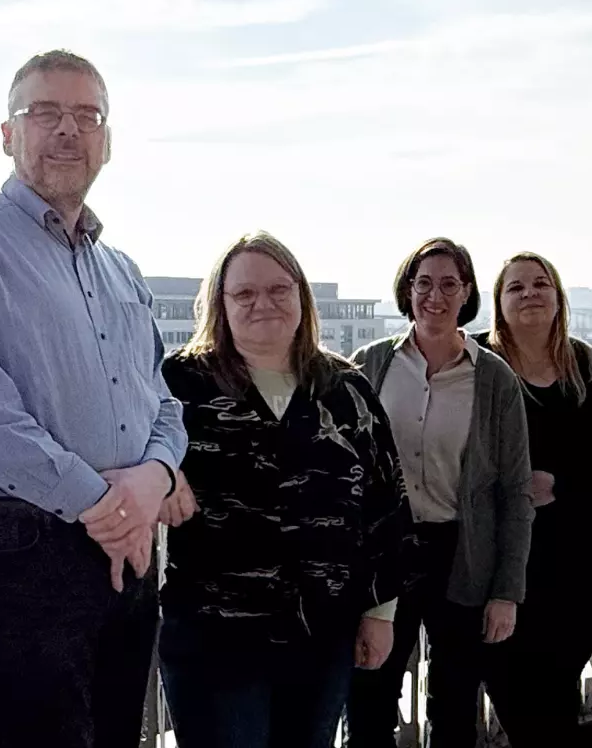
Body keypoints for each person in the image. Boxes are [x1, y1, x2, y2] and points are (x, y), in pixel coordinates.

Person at [0, 49, 187, 747]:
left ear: (107, 141)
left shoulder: (120, 269)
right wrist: (106, 505)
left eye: (87, 116)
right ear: (7, 134)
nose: (68, 130)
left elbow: (163, 401)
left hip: (123, 549)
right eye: (45, 112)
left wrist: (154, 477)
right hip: (13, 551)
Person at [156, 232, 411, 748]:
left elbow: (386, 505)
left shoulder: (347, 389)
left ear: (301, 297)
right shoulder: (177, 385)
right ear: (220, 303)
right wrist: (159, 474)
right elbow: (126, 452)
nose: (263, 303)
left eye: (278, 289)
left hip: (323, 635)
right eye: (244, 293)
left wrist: (379, 613)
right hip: (215, 634)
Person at [345, 238, 534, 748]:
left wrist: (506, 592)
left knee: (454, 704)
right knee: (370, 696)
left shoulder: (494, 379)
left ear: (467, 292)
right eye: (424, 283)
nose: (435, 296)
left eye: (449, 284)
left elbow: (515, 490)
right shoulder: (371, 365)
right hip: (386, 552)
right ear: (407, 291)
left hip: (461, 552)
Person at [474, 252, 592, 746]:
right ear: (498, 303)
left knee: (558, 682)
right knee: (509, 680)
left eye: (541, 283)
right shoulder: (476, 365)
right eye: (516, 287)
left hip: (577, 557)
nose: (530, 293)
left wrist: (561, 483)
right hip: (498, 557)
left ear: (558, 297)